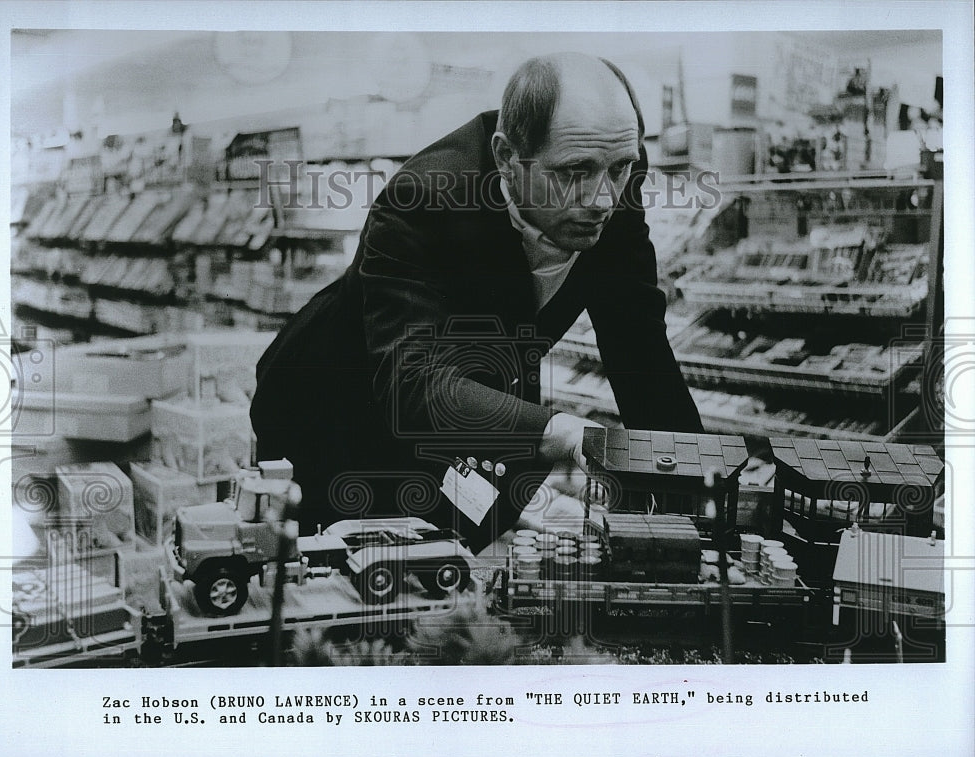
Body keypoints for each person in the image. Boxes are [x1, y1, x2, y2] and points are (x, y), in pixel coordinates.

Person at [252, 52, 702, 553]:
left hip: (464, 413)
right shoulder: (420, 200)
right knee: (353, 593)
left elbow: (639, 348)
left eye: (621, 168)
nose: (602, 199)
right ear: (508, 157)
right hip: (333, 412)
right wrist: (564, 432)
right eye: (575, 170)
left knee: (457, 572)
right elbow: (414, 384)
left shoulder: (610, 182)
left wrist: (692, 490)